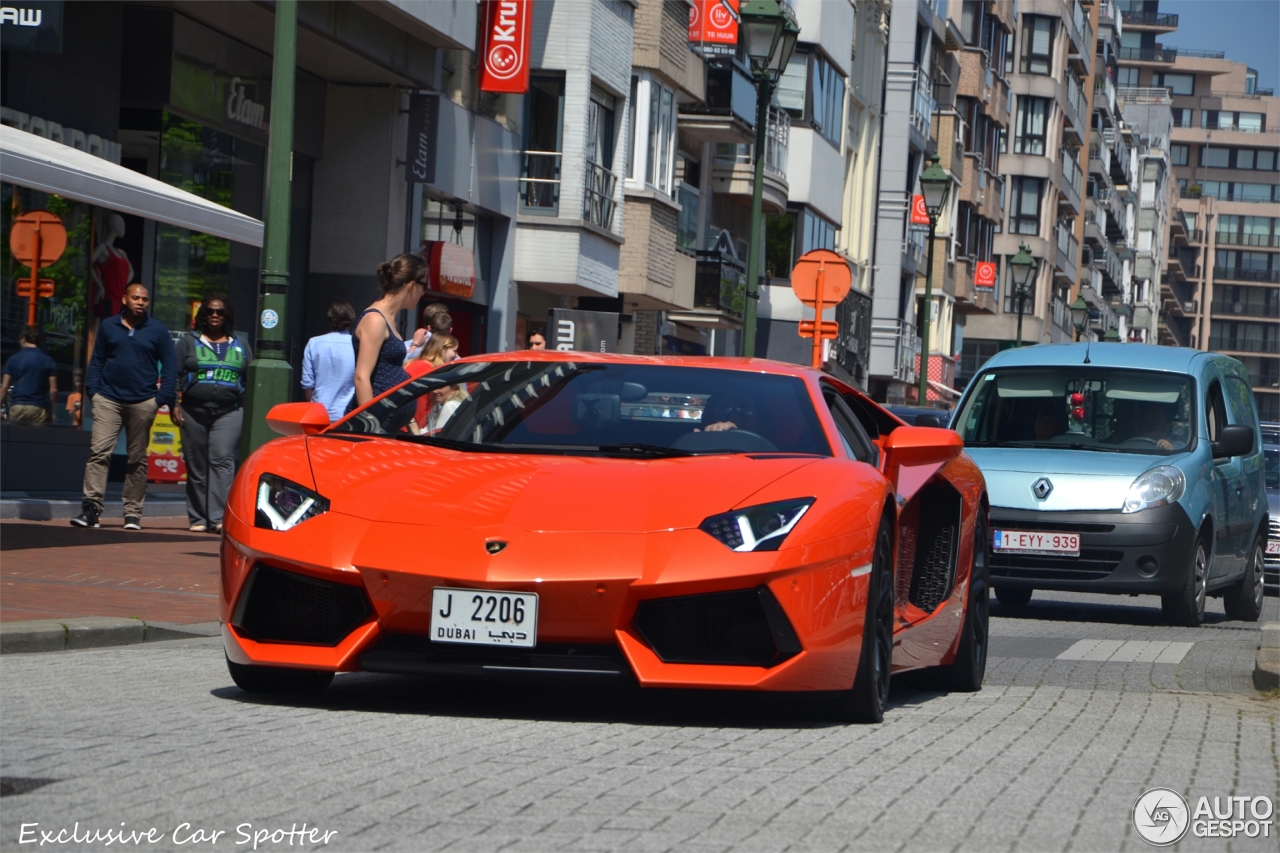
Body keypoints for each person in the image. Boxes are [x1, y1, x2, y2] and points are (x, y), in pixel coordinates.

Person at [73, 284, 176, 530]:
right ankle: (91, 510)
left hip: (143, 401)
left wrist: (160, 399)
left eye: (145, 299)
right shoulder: (109, 326)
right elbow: (97, 360)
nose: (140, 302)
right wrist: (94, 393)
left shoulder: (158, 330)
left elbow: (171, 366)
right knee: (99, 452)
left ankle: (132, 513)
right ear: (125, 299)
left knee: (137, 458)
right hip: (108, 398)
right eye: (136, 298)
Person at [173, 296, 252, 534]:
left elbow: (249, 378)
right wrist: (174, 403)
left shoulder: (241, 344)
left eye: (220, 312)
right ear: (202, 316)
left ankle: (218, 518)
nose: (215, 315)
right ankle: (198, 517)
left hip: (228, 412)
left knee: (221, 460)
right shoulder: (188, 342)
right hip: (192, 410)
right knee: (197, 465)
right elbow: (174, 375)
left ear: (227, 316)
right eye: (209, 312)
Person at [352, 254, 427, 408]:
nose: (424, 293)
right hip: (375, 423)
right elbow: (361, 377)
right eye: (424, 286)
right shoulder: (375, 320)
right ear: (412, 285)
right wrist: (372, 425)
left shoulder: (389, 319)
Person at [301, 300, 357, 421]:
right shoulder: (358, 345)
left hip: (319, 414)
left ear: (330, 320)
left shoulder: (313, 343)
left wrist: (314, 407)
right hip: (348, 415)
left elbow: (307, 384)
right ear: (351, 320)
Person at [1, 325, 57, 424]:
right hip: (38, 408)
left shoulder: (13, 359)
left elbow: (4, 387)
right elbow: (53, 390)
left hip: (17, 406)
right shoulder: (48, 361)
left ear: (23, 339)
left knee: (16, 438)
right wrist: (52, 412)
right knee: (35, 438)